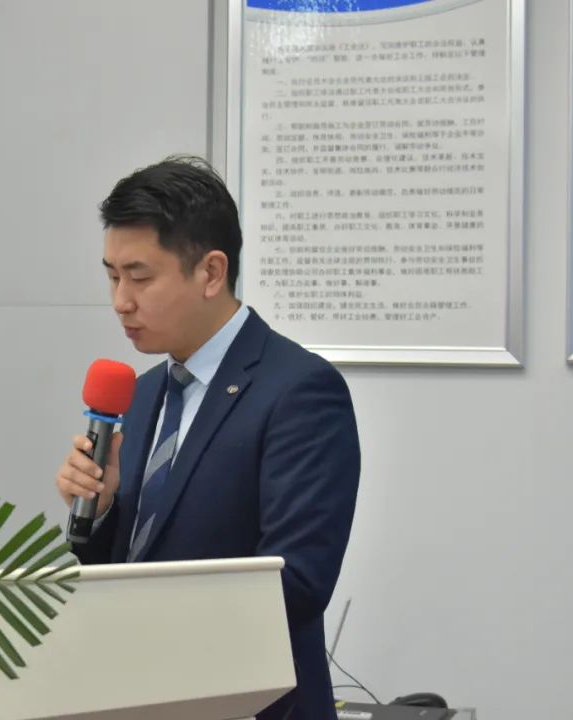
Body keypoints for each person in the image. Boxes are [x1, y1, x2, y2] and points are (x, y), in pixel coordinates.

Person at [55, 156, 360, 720]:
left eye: (140, 277)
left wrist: (151, 634)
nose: (120, 300)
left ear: (211, 272)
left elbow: (296, 583)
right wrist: (99, 512)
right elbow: (121, 563)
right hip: (133, 696)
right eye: (112, 276)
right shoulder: (142, 393)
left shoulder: (300, 391)